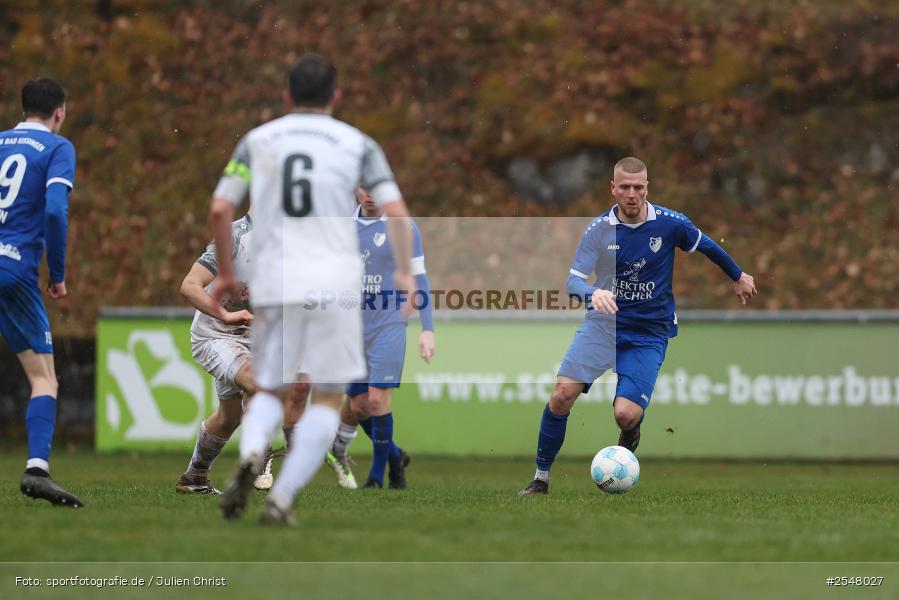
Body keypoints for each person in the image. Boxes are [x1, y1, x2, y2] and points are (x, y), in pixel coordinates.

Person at [209, 53, 414, 526]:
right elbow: (397, 212)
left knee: (269, 390)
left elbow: (221, 207)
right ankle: (281, 500)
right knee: (325, 398)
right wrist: (404, 274)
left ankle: (252, 453)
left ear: (286, 97)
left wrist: (224, 271)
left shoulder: (258, 141)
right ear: (336, 98)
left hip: (277, 280)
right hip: (334, 283)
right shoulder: (356, 144)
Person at [518, 157, 758, 495]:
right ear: (613, 189)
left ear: (647, 188)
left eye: (639, 187)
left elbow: (706, 245)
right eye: (625, 187)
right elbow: (573, 283)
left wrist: (737, 275)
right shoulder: (599, 230)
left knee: (626, 415)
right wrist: (593, 294)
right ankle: (540, 479)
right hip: (603, 326)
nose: (632, 194)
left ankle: (632, 431)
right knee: (561, 395)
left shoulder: (671, 223)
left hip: (649, 331)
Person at [175, 212, 307, 494]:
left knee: (228, 417)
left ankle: (194, 478)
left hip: (256, 339)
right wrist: (226, 314)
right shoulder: (234, 237)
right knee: (258, 382)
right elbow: (189, 286)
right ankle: (260, 453)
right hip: (214, 334)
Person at [0, 78, 82, 507]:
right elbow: (54, 208)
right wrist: (58, 272)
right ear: (59, 112)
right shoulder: (56, 147)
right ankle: (37, 469)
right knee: (43, 378)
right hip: (12, 270)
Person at [326, 187, 436, 490]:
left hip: (390, 322)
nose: (370, 194)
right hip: (352, 326)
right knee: (359, 406)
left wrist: (428, 329)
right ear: (355, 189)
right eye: (364, 187)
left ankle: (376, 478)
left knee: (377, 399)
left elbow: (420, 278)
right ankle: (395, 456)